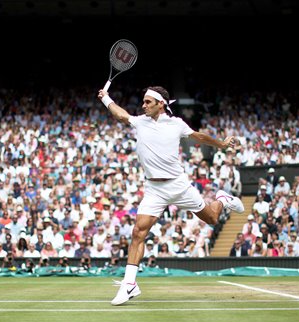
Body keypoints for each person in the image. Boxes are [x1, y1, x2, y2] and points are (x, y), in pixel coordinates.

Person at [98, 85, 244, 305]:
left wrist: (221, 144)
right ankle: (129, 285)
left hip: (178, 185)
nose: (143, 105)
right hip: (154, 189)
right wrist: (105, 98)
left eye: (148, 102)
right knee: (138, 232)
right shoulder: (140, 122)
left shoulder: (176, 124)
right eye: (144, 101)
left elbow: (199, 137)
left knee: (212, 219)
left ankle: (222, 200)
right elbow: (121, 115)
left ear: (161, 104)